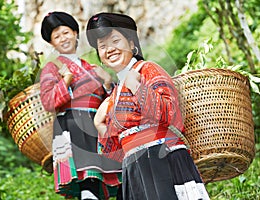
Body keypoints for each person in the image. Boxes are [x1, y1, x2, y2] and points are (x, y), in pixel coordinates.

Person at [86, 12, 210, 200]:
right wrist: (100, 124)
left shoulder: (148, 69)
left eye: (115, 41)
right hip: (135, 169)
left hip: (163, 159)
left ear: (132, 44)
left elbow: (171, 114)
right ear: (101, 57)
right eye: (102, 46)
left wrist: (137, 86)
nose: (109, 49)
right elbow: (117, 154)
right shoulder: (115, 95)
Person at [40, 11, 122, 200]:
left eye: (66, 32)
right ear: (52, 43)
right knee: (87, 180)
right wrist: (66, 81)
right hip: (72, 125)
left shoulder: (92, 67)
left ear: (75, 33)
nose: (63, 39)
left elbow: (109, 104)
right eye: (57, 36)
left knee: (105, 179)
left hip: (95, 124)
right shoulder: (52, 68)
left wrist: (108, 82)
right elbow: (48, 101)